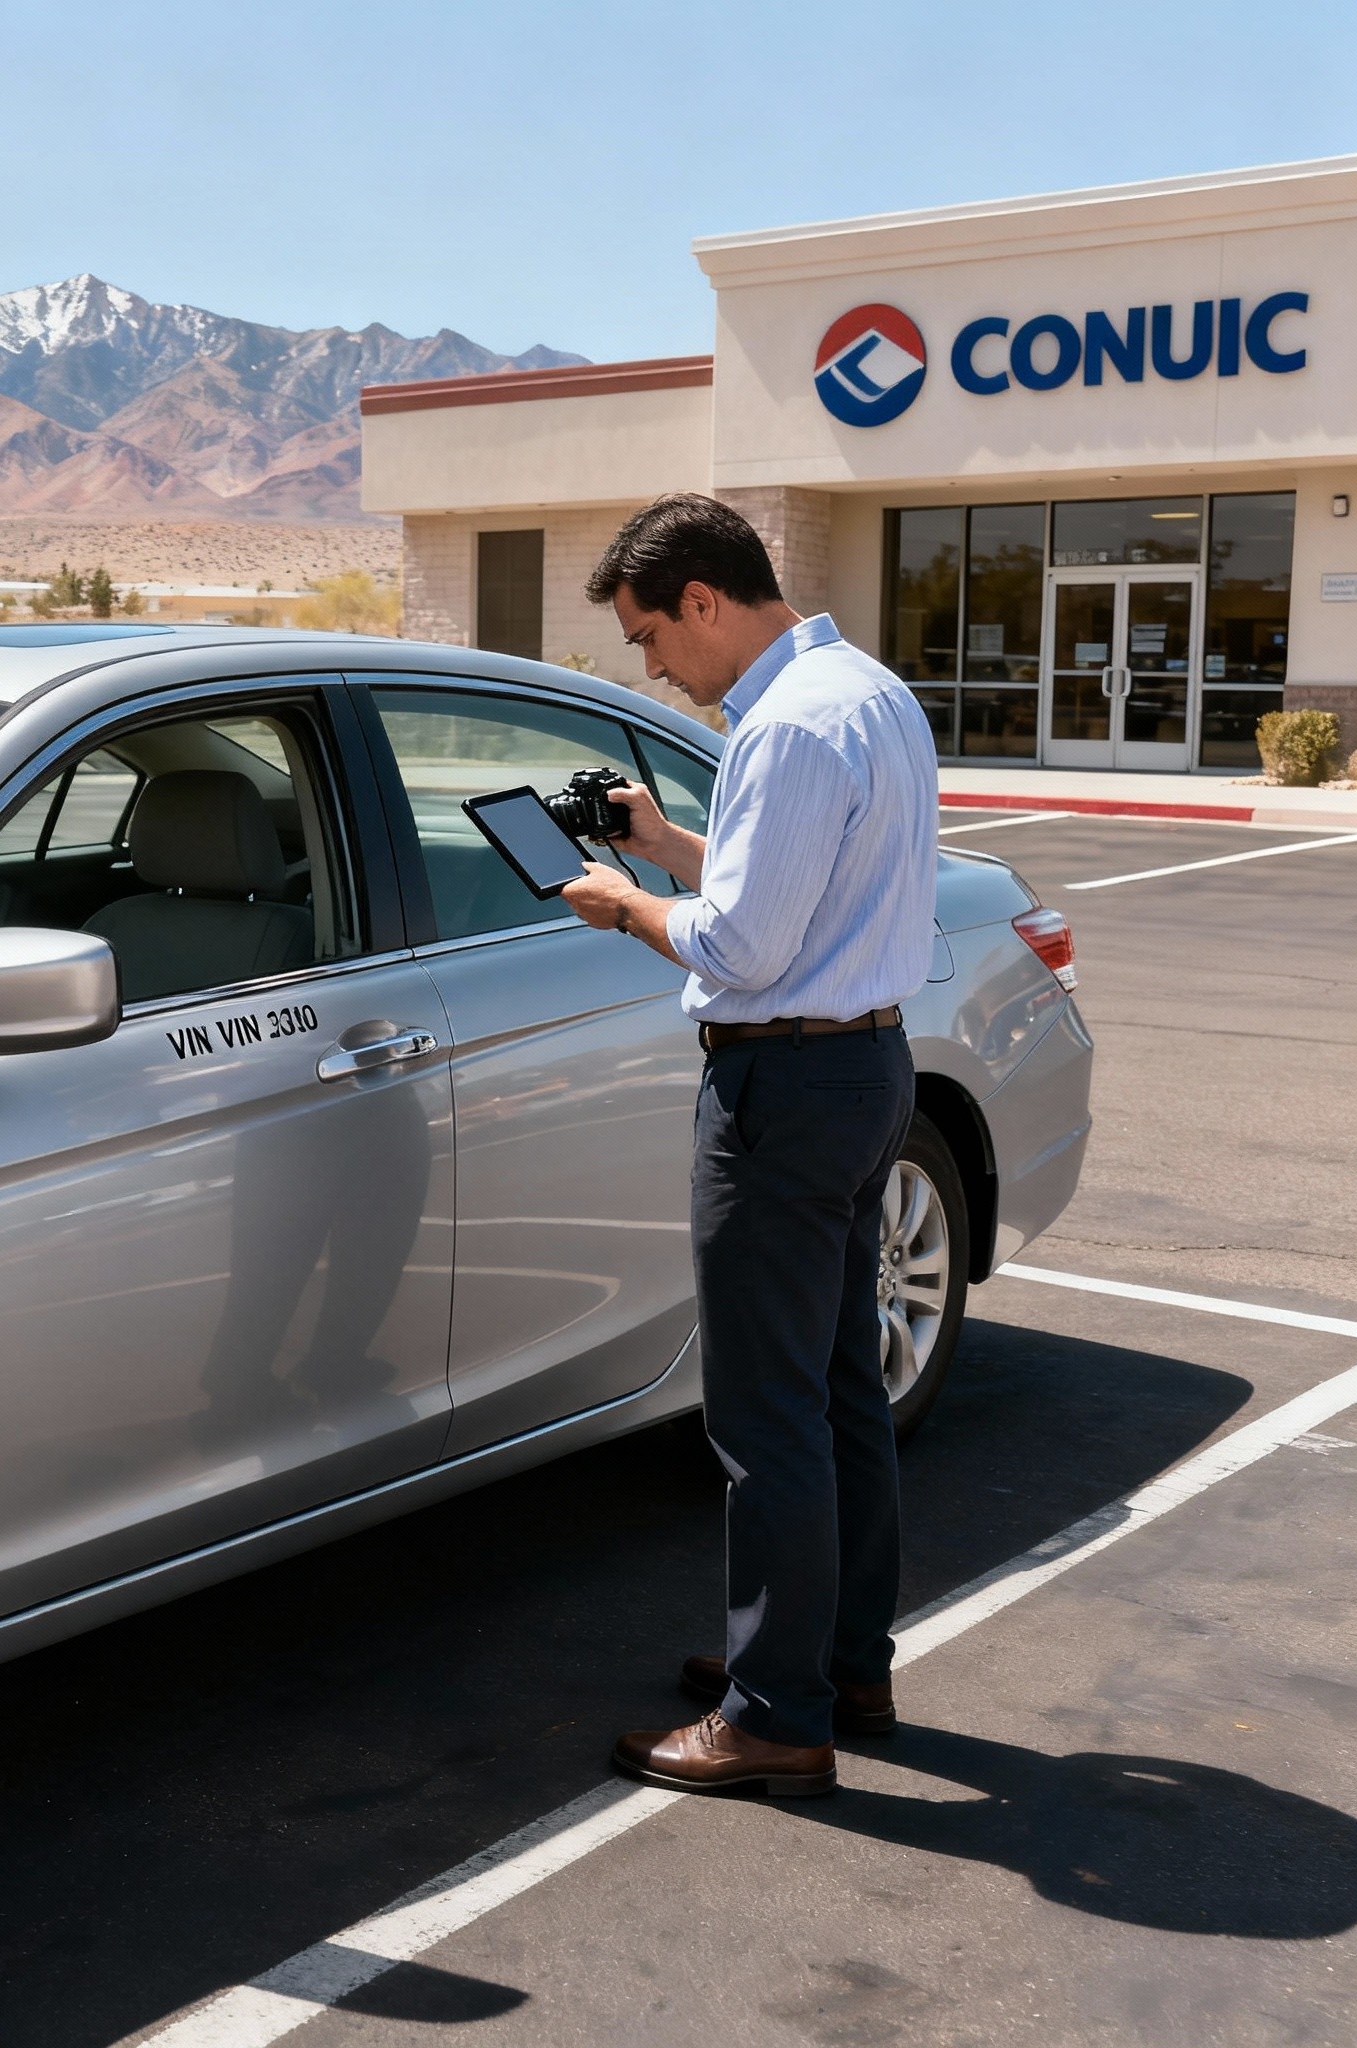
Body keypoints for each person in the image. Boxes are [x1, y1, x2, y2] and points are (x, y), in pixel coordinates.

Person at [559, 493, 939, 1798]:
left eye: (654, 637)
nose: (655, 666)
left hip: (783, 1088)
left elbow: (737, 948)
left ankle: (776, 1714)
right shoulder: (867, 691)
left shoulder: (785, 724)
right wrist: (668, 844)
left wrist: (626, 904)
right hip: (865, 1067)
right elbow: (794, 878)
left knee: (764, 1411)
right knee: (838, 1393)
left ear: (705, 601)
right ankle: (840, 1666)